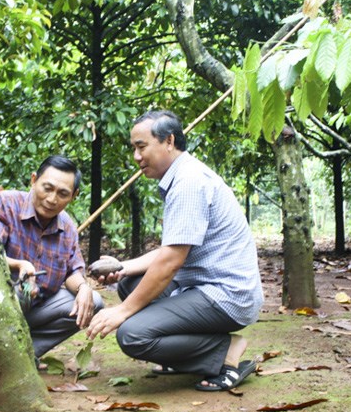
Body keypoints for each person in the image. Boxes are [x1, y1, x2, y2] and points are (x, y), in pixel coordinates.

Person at [86, 110, 263, 391]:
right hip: (201, 286)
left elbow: (170, 262)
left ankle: (226, 349)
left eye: (141, 146)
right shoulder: (182, 176)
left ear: (168, 141)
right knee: (131, 283)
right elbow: (172, 250)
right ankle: (185, 352)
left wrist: (122, 312)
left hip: (226, 295)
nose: (136, 156)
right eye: (134, 148)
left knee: (132, 334)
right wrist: (123, 267)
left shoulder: (188, 183)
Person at [0, 155, 103, 384]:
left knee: (93, 301)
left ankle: (20, 353)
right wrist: (19, 265)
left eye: (62, 194)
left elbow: (73, 271)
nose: (52, 199)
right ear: (33, 180)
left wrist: (83, 287)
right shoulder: (5, 203)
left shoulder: (67, 227)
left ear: (73, 197)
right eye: (47, 188)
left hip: (32, 307)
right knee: (22, 291)